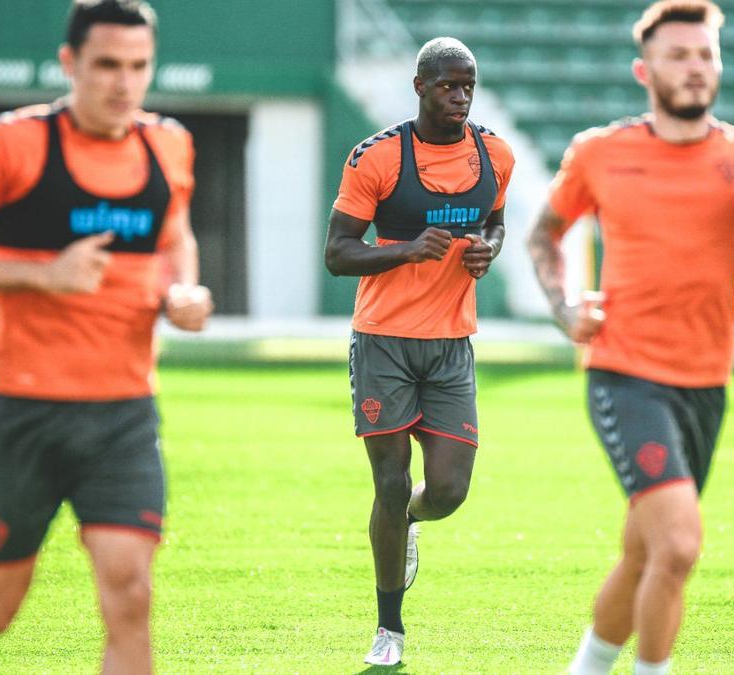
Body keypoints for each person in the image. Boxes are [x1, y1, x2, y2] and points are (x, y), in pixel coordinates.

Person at [0, 2, 213, 673]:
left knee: (131, 592)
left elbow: (174, 239)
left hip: (123, 412)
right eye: (107, 65)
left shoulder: (169, 144)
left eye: (138, 66)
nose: (123, 83)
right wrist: (49, 272)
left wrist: (181, 291)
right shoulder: (10, 142)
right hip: (24, 409)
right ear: (70, 63)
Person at [527, 3, 734, 672]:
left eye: (705, 55)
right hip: (624, 375)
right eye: (678, 55)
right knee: (679, 544)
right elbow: (544, 232)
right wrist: (564, 305)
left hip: (706, 384)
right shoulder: (600, 152)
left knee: (646, 552)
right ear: (643, 70)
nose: (694, 67)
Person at [323, 37, 514, 666]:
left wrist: (488, 246)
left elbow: (496, 220)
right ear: (419, 87)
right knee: (389, 479)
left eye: (468, 86)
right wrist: (404, 250)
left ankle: (406, 522)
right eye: (447, 86)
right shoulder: (375, 157)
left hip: (451, 344)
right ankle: (389, 629)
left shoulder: (495, 154)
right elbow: (338, 253)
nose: (459, 97)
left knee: (450, 491)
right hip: (383, 342)